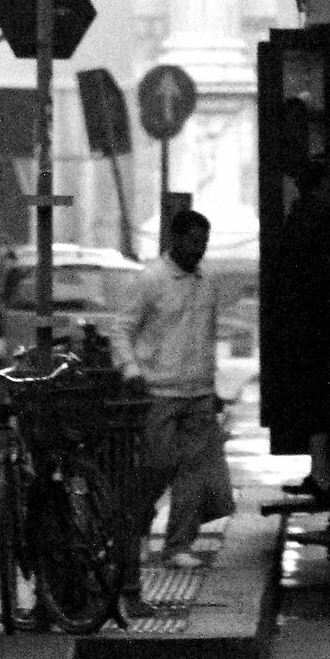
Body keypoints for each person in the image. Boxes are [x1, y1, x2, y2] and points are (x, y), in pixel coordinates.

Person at [121, 207, 234, 569]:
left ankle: (178, 545)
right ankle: (133, 527)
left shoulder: (206, 283)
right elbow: (122, 327)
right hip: (159, 393)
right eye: (193, 242)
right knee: (157, 466)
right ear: (175, 240)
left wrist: (212, 387)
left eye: (204, 243)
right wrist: (130, 369)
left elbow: (207, 338)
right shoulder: (151, 280)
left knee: (193, 473)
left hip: (198, 393)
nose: (199, 249)